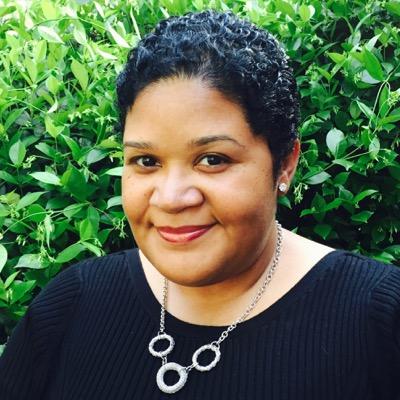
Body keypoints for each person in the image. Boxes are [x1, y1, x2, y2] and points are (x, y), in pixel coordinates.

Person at [0, 9, 399, 400]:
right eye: (146, 161)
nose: (171, 198)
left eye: (212, 159)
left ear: (285, 163)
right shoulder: (72, 305)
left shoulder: (378, 321)